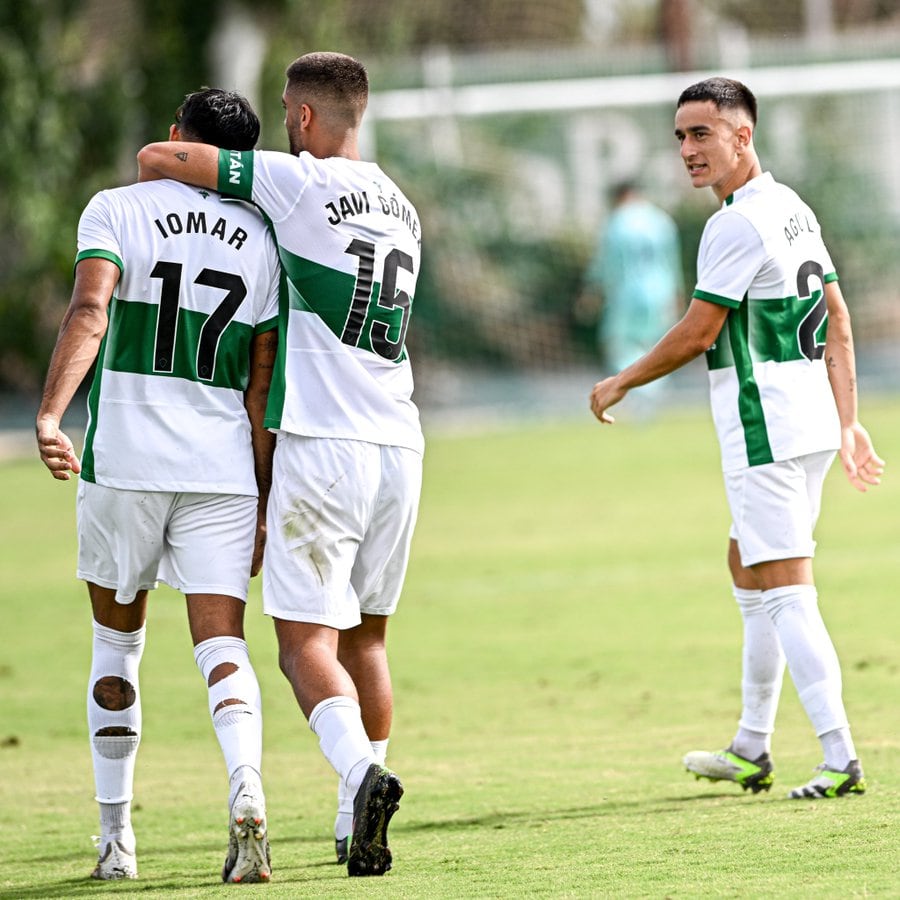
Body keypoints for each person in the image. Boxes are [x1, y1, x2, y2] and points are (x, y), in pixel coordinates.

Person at [137, 51, 422, 876]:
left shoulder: (295, 180)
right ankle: (350, 820)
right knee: (366, 639)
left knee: (303, 644)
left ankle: (362, 773)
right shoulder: (400, 204)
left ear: (299, 118)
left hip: (324, 443)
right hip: (400, 442)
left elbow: (165, 158)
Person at [589, 77, 884, 799]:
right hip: (808, 422)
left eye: (702, 134)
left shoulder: (736, 223)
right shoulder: (790, 208)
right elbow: (838, 319)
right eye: (681, 136)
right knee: (746, 566)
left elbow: (699, 331)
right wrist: (847, 421)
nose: (688, 150)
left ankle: (840, 757)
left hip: (767, 427)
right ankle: (751, 744)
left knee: (786, 589)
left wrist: (621, 379)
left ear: (742, 136)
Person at [36, 88, 281, 882]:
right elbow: (260, 387)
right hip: (222, 470)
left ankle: (116, 840)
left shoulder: (117, 207)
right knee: (222, 646)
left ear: (177, 137)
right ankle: (248, 791)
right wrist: (265, 498)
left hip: (128, 463)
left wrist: (50, 413)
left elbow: (88, 311)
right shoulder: (265, 237)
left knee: (117, 645)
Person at [582, 180, 682, 415]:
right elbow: (672, 261)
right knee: (654, 348)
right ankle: (649, 396)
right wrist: (677, 293)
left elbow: (605, 265)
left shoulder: (616, 223)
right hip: (661, 292)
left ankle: (646, 391)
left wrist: (592, 293)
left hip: (627, 296)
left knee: (617, 345)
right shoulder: (661, 220)